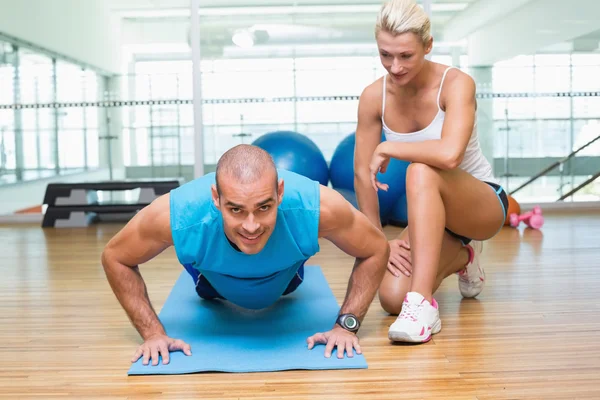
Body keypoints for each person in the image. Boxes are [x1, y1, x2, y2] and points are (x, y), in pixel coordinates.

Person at [101, 144, 390, 366]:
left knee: (282, 249)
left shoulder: (318, 208)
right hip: (211, 278)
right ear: (216, 198)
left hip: (285, 275)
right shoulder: (178, 215)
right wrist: (152, 334)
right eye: (236, 209)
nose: (251, 226)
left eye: (264, 207)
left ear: (279, 192)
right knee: (209, 255)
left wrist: (346, 326)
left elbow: (376, 249)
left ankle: (279, 254)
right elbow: (115, 257)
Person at [353, 0, 508, 343]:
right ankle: (464, 257)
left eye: (406, 55)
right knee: (392, 298)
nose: (394, 66)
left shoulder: (456, 84)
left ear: (428, 46)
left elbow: (450, 155)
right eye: (385, 55)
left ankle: (423, 308)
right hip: (431, 211)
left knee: (421, 170)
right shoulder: (372, 98)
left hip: (480, 203)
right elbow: (364, 176)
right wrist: (378, 242)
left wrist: (388, 146)